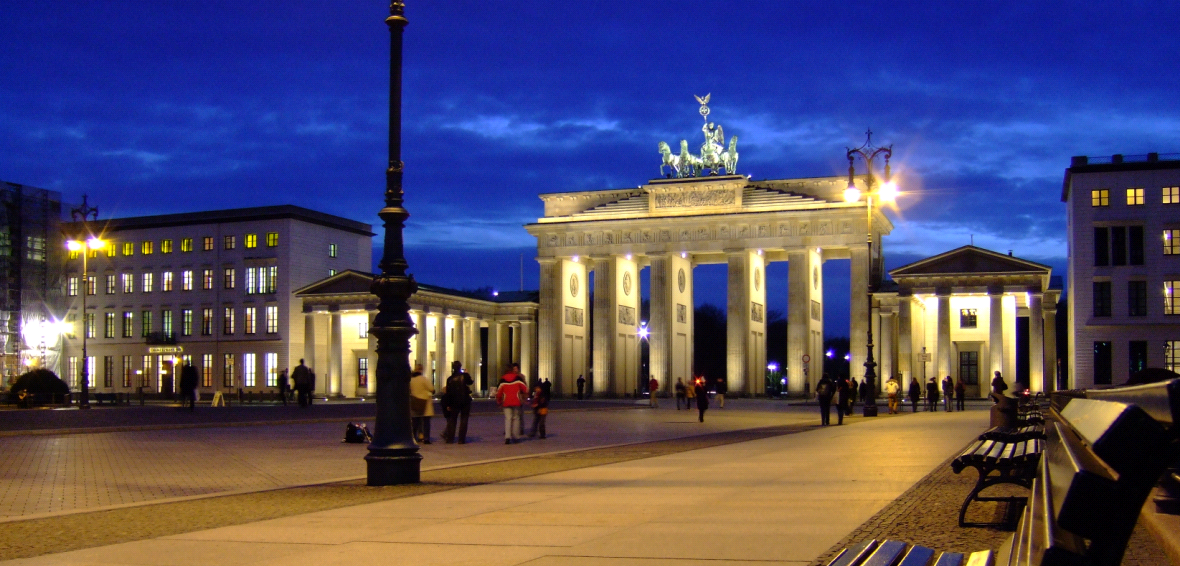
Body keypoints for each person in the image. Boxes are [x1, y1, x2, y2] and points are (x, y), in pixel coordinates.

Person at [441, 361, 473, 444]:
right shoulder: (464, 376)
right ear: (460, 367)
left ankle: (450, 439)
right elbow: (470, 382)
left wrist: (448, 404)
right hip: (465, 401)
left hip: (454, 402)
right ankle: (461, 439)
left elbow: (448, 393)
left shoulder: (450, 379)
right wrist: (467, 373)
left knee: (452, 420)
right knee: (464, 420)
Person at [496, 366, 528, 444]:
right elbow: (525, 389)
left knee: (508, 419)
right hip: (516, 401)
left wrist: (499, 402)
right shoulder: (518, 378)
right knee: (516, 418)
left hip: (506, 402)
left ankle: (507, 437)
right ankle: (516, 437)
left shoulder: (502, 380)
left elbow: (499, 393)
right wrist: (524, 397)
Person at [409, 370, 434, 444]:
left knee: (415, 422)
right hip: (424, 402)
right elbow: (431, 389)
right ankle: (426, 438)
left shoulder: (411, 381)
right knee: (426, 422)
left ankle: (413, 438)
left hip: (415, 402)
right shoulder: (424, 379)